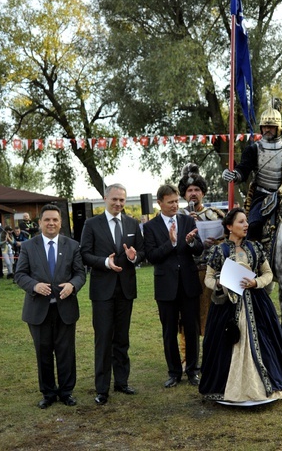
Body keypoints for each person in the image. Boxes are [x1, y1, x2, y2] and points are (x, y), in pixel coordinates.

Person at [199, 208, 282, 404]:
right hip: (227, 306)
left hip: (257, 304)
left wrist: (256, 283)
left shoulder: (255, 248)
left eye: (246, 222)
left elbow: (268, 274)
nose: (246, 225)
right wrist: (219, 283)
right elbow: (208, 278)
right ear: (229, 227)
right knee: (226, 343)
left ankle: (261, 386)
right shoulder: (219, 250)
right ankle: (229, 388)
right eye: (241, 222)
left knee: (264, 340)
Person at [14, 204, 86, 409]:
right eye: (47, 220)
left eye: (55, 220)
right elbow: (20, 275)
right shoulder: (29, 246)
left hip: (65, 309)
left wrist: (72, 285)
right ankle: (48, 393)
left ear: (61, 223)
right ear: (40, 223)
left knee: (66, 352)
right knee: (43, 352)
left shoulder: (72, 246)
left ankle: (66, 392)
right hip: (38, 311)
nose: (51, 223)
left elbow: (80, 274)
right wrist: (34, 285)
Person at [80, 183, 145, 406]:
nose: (118, 203)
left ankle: (122, 381)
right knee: (103, 339)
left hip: (125, 290)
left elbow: (142, 252)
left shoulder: (132, 223)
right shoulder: (91, 224)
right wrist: (105, 263)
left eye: (122, 200)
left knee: (122, 338)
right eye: (114, 199)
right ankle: (101, 388)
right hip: (102, 291)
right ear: (105, 199)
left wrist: (133, 256)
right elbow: (84, 254)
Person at [222, 104, 282, 252]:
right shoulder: (253, 149)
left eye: (271, 127)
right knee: (253, 225)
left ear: (279, 128)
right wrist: (235, 174)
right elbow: (244, 168)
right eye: (265, 127)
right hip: (262, 195)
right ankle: (253, 258)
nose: (267, 130)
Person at [143, 184, 204, 388]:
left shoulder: (187, 220)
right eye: (170, 202)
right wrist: (171, 243)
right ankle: (174, 372)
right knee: (169, 331)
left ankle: (193, 370)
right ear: (159, 203)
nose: (175, 205)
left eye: (177, 201)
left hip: (188, 283)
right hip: (166, 287)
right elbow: (151, 256)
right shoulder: (151, 227)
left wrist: (192, 242)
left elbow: (199, 249)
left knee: (192, 328)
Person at [177, 163, 225, 369]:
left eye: (197, 190)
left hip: (208, 271)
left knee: (208, 317)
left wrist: (215, 242)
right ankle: (187, 359)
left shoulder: (215, 215)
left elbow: (228, 241)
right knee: (185, 319)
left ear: (203, 193)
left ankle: (211, 357)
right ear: (184, 194)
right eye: (189, 190)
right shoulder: (177, 217)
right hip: (185, 272)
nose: (193, 193)